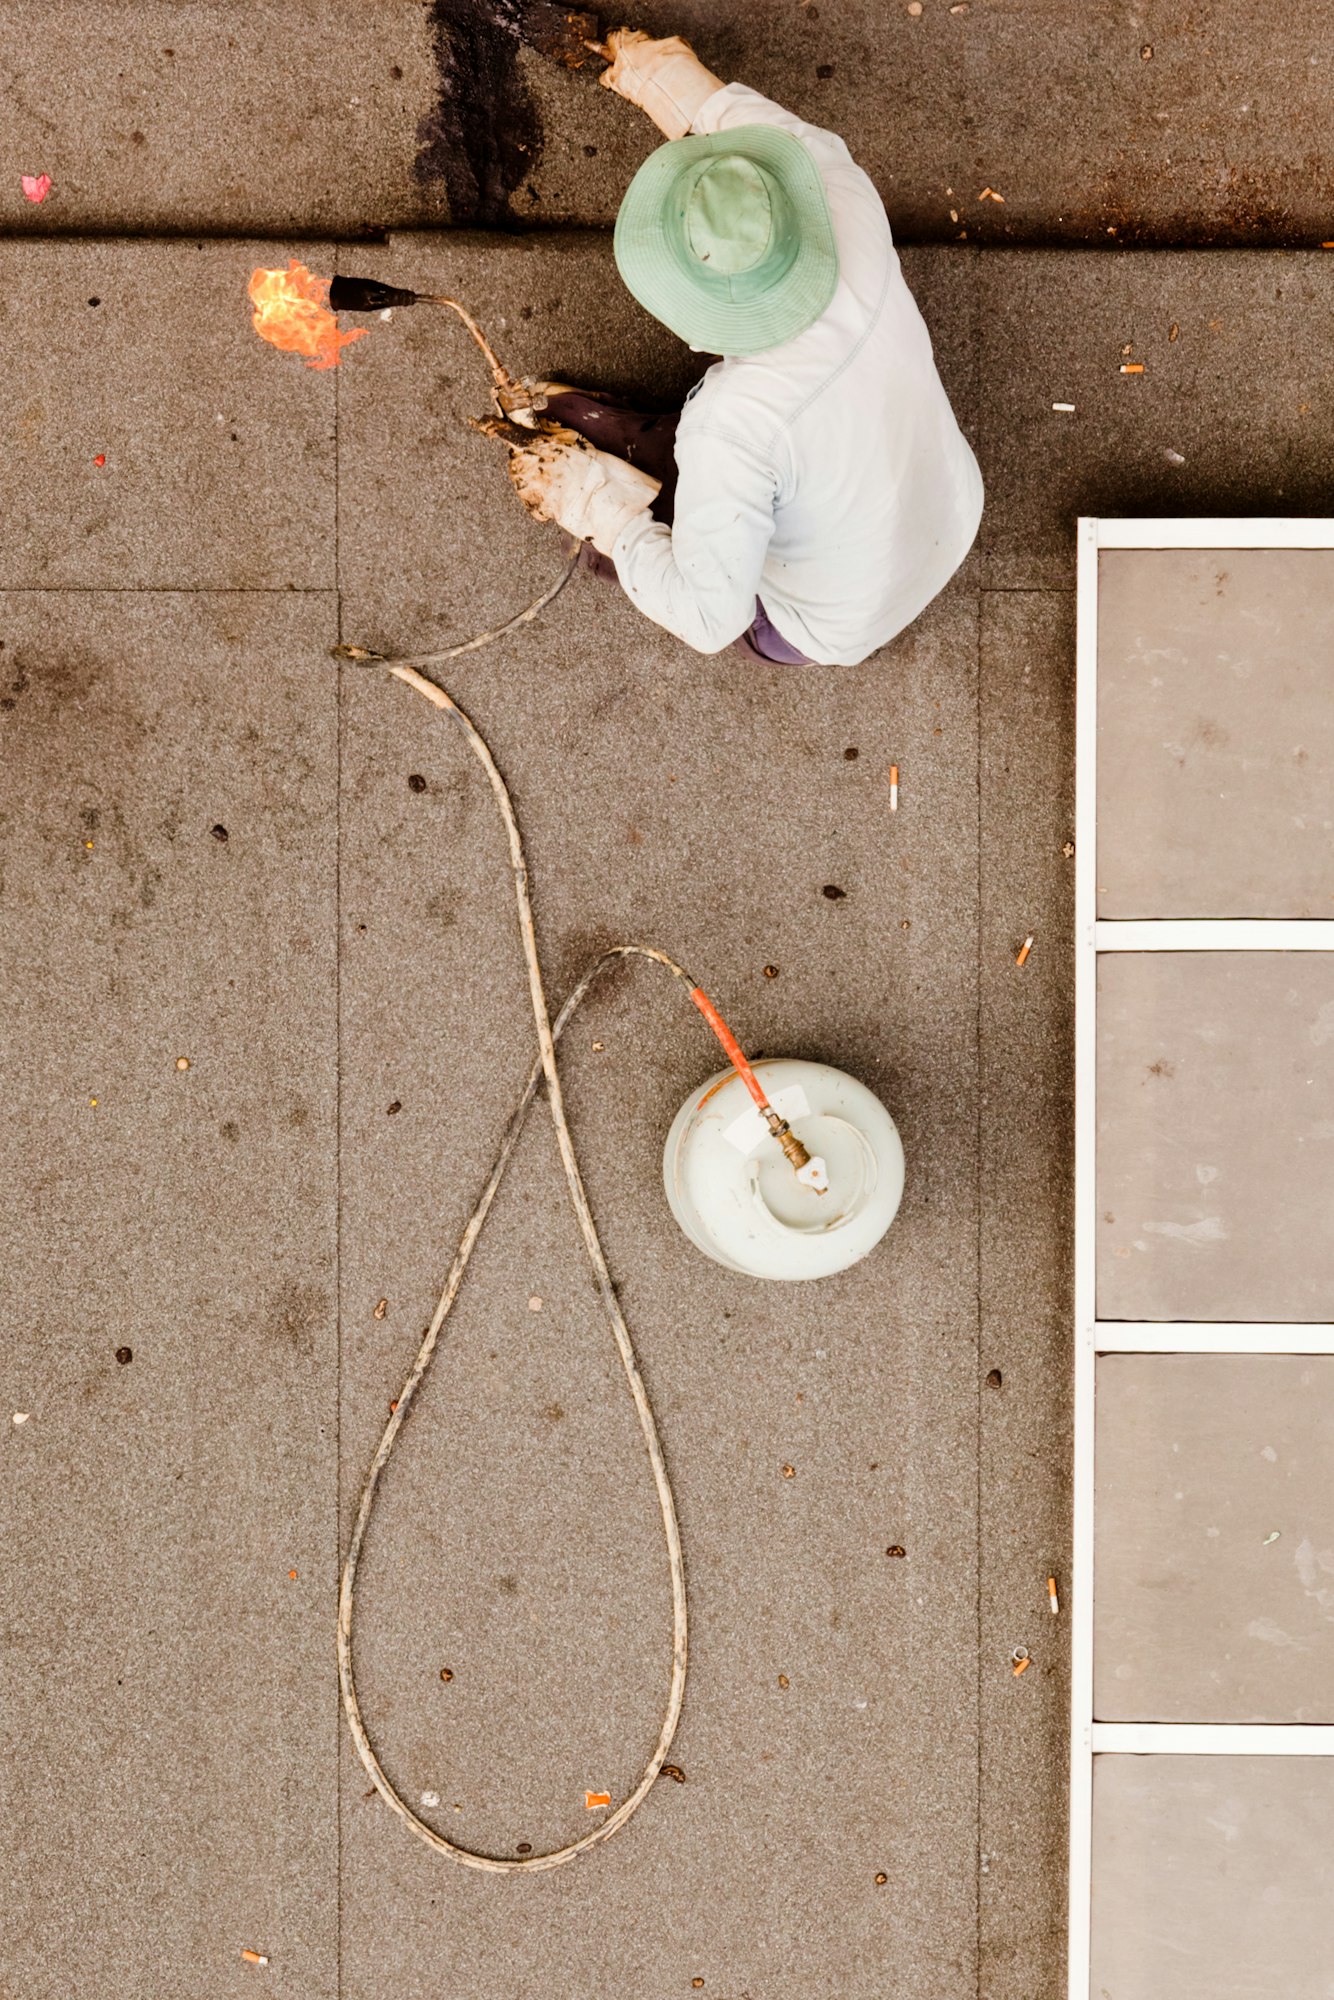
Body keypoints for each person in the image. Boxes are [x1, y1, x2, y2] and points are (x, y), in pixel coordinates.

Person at [502, 28, 984, 669]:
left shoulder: (732, 424)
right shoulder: (837, 187)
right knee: (757, 472)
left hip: (828, 622)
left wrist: (595, 511)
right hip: (950, 510)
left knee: (668, 548)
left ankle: (642, 498)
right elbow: (747, 124)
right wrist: (655, 73)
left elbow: (709, 619)